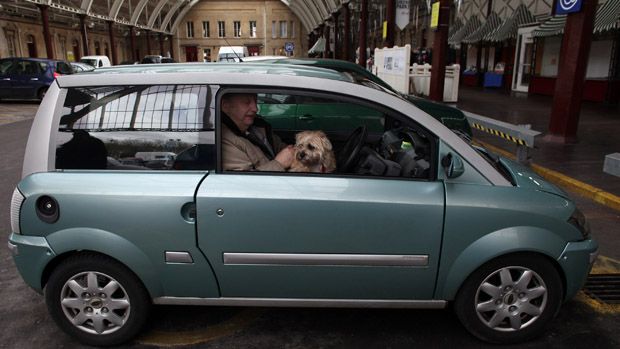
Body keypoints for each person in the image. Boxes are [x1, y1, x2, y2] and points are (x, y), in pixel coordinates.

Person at [221, 93, 294, 171]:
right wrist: (279, 164)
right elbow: (243, 181)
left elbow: (280, 147)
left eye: (256, 101)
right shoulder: (223, 139)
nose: (255, 109)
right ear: (225, 105)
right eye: (247, 102)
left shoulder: (258, 127)